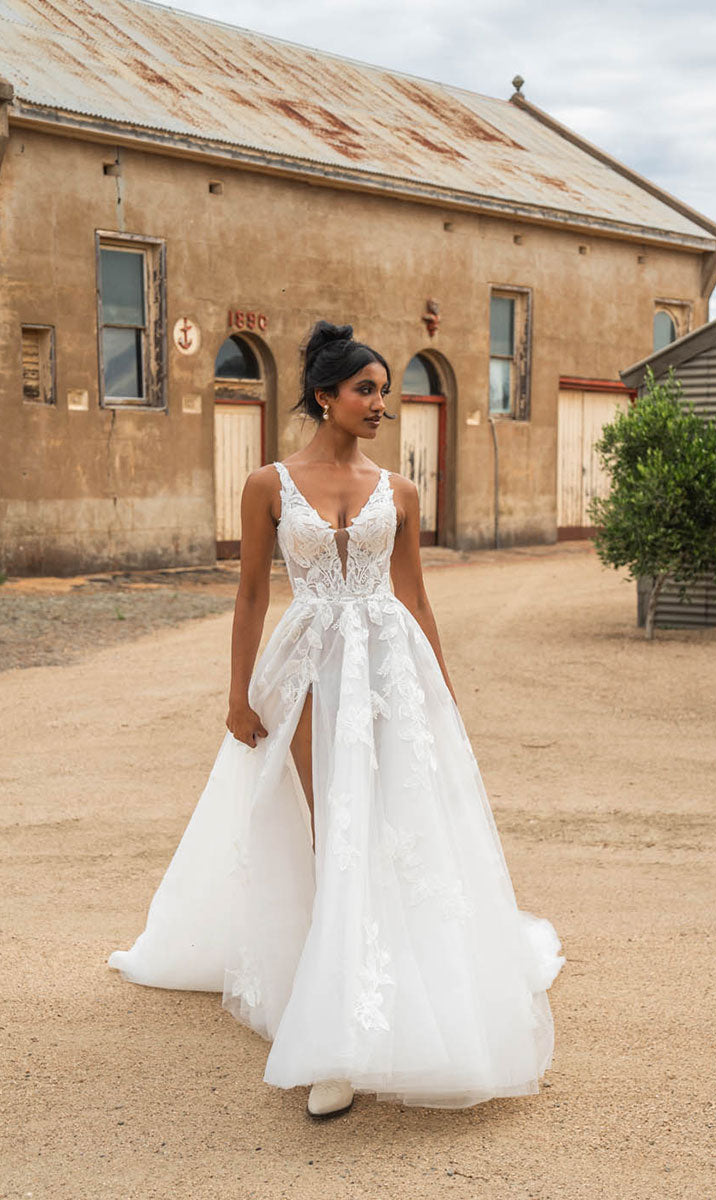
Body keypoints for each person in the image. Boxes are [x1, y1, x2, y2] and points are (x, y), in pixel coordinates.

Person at [108, 320, 566, 1118]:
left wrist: (444, 693)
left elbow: (416, 594)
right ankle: (338, 1034)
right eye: (367, 389)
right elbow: (251, 592)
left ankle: (420, 982)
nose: (381, 403)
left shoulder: (402, 490)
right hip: (310, 667)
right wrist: (237, 693)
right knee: (335, 832)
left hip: (391, 661)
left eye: (385, 391)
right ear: (326, 396)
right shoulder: (268, 485)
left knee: (400, 818)